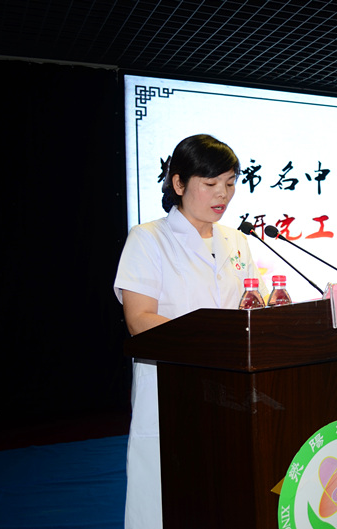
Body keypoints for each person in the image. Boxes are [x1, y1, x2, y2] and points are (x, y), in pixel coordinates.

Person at [114, 134, 269, 528]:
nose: (224, 194)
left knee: (227, 494)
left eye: (231, 182)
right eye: (211, 183)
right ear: (179, 184)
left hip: (233, 388)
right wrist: (214, 343)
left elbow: (257, 309)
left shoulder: (237, 241)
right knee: (168, 498)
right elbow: (139, 319)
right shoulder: (148, 239)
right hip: (172, 388)